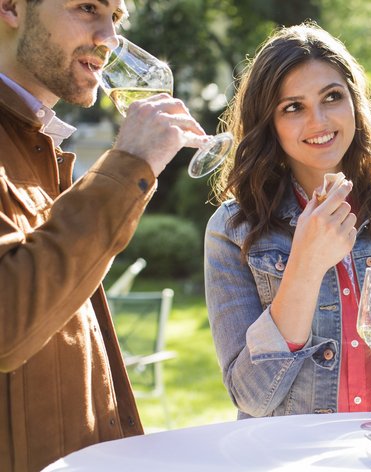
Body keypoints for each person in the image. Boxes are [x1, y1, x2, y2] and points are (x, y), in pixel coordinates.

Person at [204, 23, 371, 422]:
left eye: (332, 97)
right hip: (286, 460)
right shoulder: (233, 230)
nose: (319, 120)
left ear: (354, 104)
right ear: (267, 123)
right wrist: (306, 263)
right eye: (293, 107)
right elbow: (251, 396)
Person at [0, 0, 208, 470]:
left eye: (116, 17)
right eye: (88, 8)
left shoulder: (39, 143)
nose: (110, 38)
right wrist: (129, 165)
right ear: (12, 7)